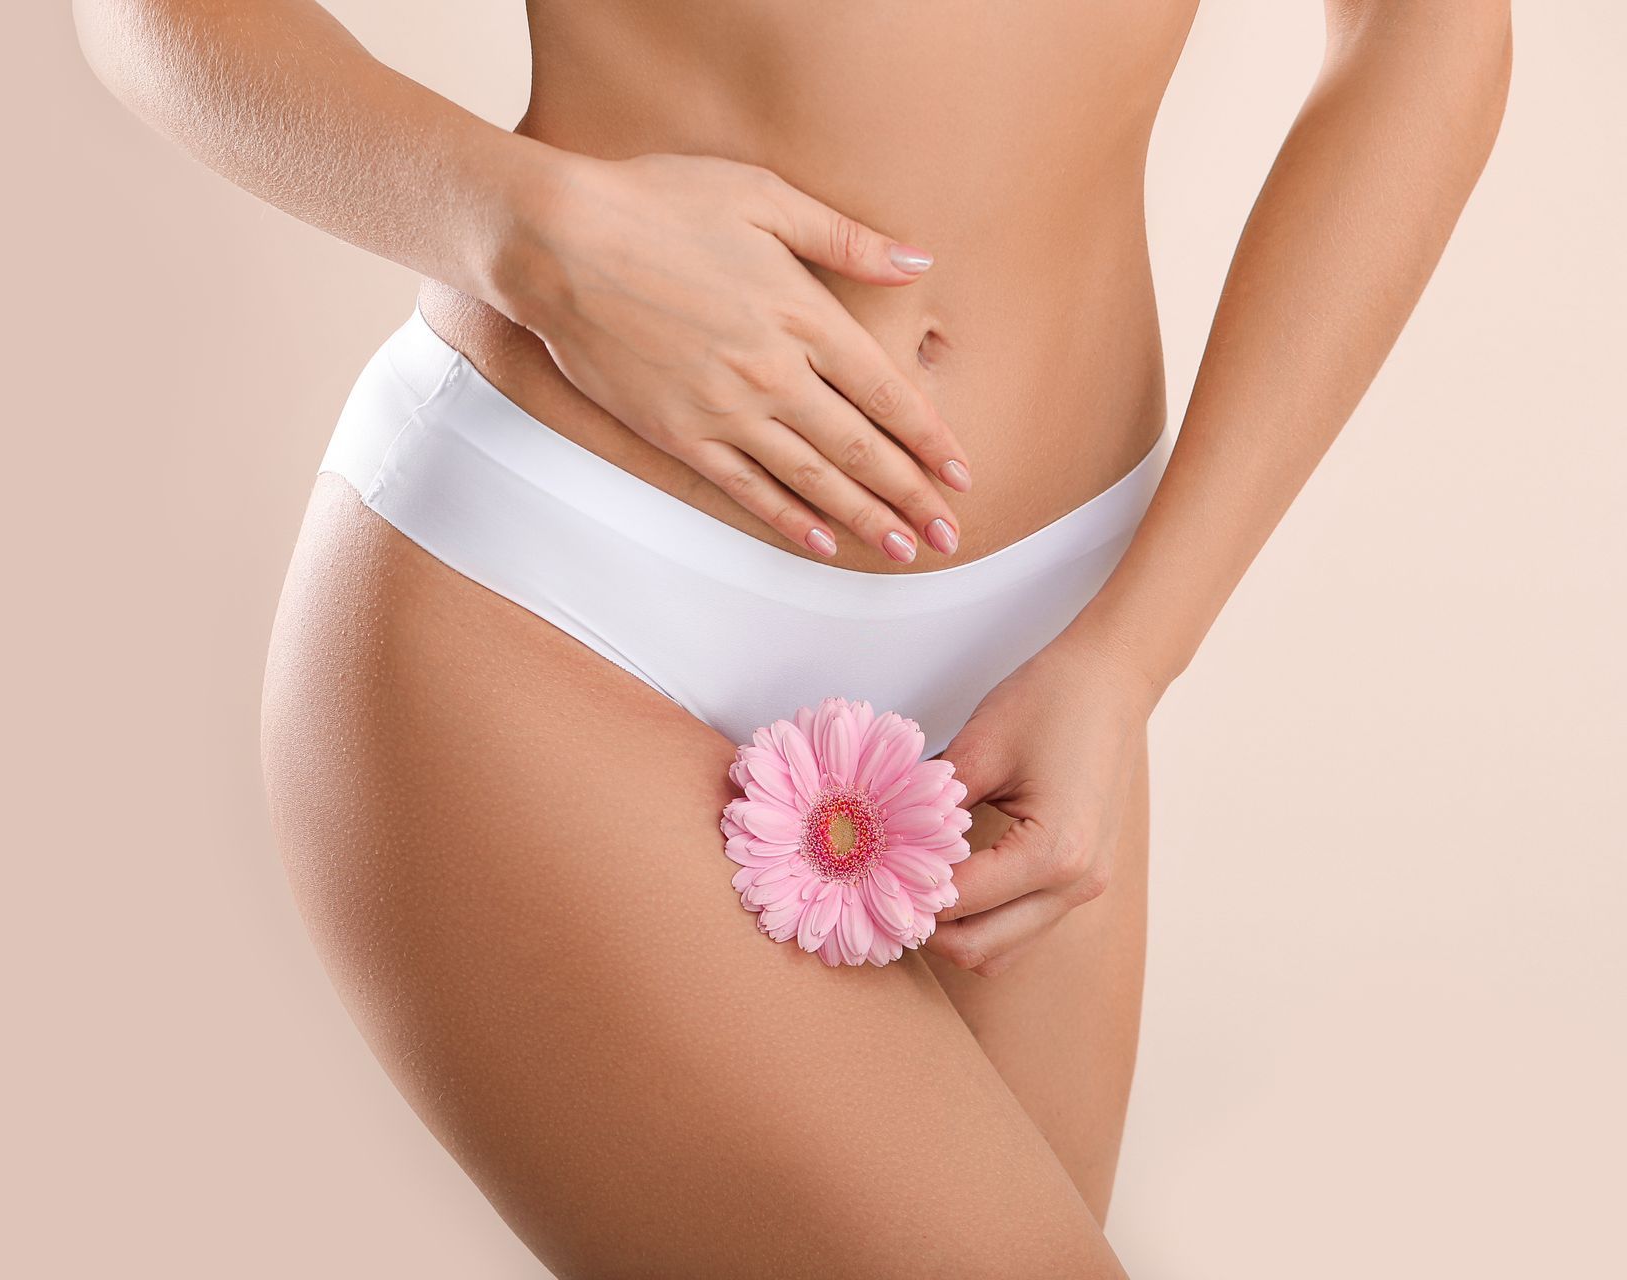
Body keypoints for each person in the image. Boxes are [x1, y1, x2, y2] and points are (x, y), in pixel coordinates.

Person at [76, 1, 1512, 1274]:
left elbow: (1430, 28)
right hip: (568, 599)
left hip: (1048, 643)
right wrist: (518, 225)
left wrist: (1136, 651)